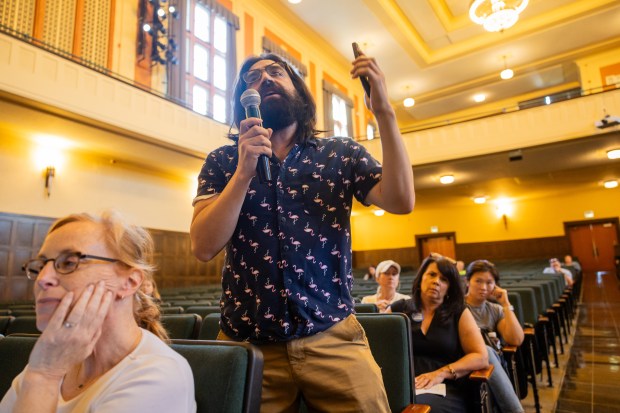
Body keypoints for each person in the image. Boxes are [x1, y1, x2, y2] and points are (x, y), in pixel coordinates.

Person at [190, 49, 414, 412]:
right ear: (243, 103)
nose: (265, 79)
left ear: (297, 89)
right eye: (253, 78)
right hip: (248, 345)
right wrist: (244, 172)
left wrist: (384, 111)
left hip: (333, 338)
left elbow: (401, 200)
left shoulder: (341, 153)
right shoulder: (222, 161)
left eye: (276, 72)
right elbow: (202, 246)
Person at [0, 212, 196, 413]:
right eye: (41, 265)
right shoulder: (55, 356)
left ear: (129, 282)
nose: (43, 278)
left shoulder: (159, 376)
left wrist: (44, 376)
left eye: (69, 262)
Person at [389, 254, 488, 413]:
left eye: (444, 279)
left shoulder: (458, 313)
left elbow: (481, 356)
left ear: (449, 288)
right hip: (402, 385)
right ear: (421, 278)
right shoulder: (398, 309)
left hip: (443, 388)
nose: (436, 281)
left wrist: (440, 374)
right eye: (432, 275)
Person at [465, 259, 525, 413]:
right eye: (478, 281)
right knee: (484, 350)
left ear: (495, 286)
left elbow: (516, 339)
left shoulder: (495, 310)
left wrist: (505, 304)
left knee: (487, 352)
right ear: (467, 282)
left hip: (492, 366)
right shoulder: (457, 308)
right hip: (465, 364)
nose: (484, 287)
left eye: (489, 282)